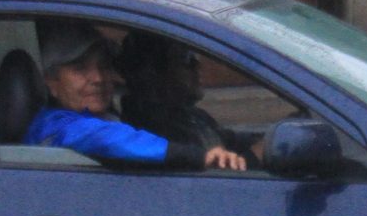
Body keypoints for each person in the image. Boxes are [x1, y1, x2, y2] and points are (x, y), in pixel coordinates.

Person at [25, 20, 247, 170]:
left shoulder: (110, 115)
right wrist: (200, 156)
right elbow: (110, 139)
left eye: (103, 66)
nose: (98, 78)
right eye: (80, 69)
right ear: (50, 81)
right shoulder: (54, 126)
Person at [115, 30, 265, 164]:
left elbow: (229, 139)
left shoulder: (190, 116)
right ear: (154, 73)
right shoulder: (152, 131)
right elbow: (214, 179)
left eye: (195, 57)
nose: (197, 65)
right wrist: (255, 156)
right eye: (187, 59)